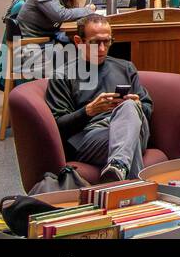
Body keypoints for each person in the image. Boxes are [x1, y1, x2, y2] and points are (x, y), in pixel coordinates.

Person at [45, 15, 152, 182]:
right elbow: (57, 126)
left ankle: (119, 166)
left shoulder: (125, 67)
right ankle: (127, 178)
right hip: (91, 135)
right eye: (95, 43)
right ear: (79, 41)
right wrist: (88, 111)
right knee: (130, 140)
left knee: (130, 107)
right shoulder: (63, 75)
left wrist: (137, 105)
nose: (102, 49)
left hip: (131, 124)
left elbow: (148, 108)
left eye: (107, 42)